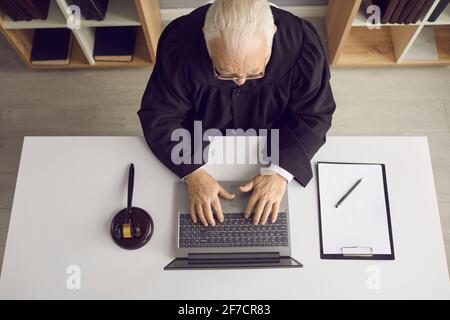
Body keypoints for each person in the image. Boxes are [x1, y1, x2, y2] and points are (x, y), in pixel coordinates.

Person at [138, 0, 336, 227]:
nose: (240, 81)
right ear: (206, 37)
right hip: (199, 142)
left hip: (276, 143)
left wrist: (281, 171)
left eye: (255, 72)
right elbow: (160, 116)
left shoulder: (303, 45)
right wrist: (192, 172)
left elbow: (315, 114)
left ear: (272, 33)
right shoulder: (179, 44)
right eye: (224, 72)